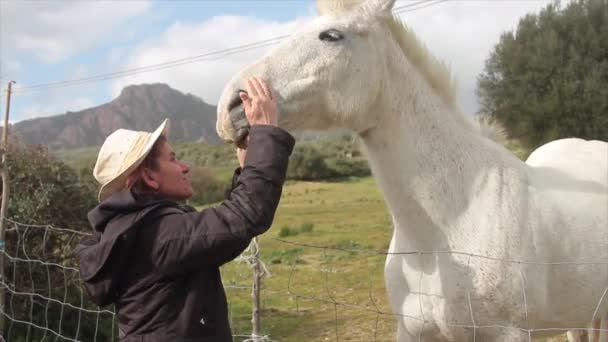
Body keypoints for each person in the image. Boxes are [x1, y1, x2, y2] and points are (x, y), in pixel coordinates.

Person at [75, 78, 294, 342]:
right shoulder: (158, 234)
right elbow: (242, 218)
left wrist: (249, 167)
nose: (185, 167)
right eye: (173, 159)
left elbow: (218, 228)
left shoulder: (129, 230)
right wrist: (265, 131)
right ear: (150, 178)